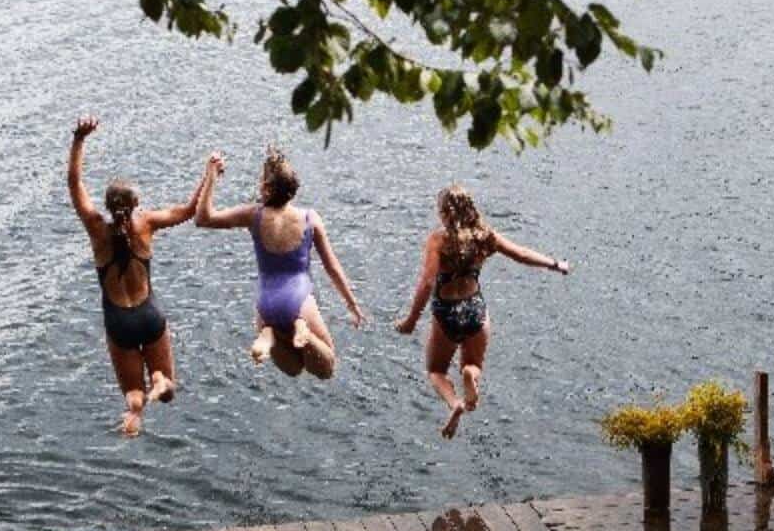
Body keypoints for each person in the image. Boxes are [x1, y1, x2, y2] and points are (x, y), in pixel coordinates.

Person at [394, 184, 570, 438]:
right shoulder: (485, 237)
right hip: (475, 308)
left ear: (444, 213)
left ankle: (454, 403)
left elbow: (427, 282)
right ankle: (470, 375)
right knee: (473, 363)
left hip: (446, 312)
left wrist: (411, 320)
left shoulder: (438, 240)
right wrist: (556, 264)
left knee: (436, 371)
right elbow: (521, 254)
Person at [68, 115, 202, 436]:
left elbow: (74, 183)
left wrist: (79, 139)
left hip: (119, 322)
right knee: (168, 389)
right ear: (136, 204)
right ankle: (158, 383)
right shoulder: (147, 224)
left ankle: (135, 409)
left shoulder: (96, 228)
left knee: (132, 393)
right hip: (149, 316)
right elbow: (189, 210)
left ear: (108, 207)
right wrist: (209, 175)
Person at [196, 146, 365, 379]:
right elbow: (332, 267)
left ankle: (269, 334)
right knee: (326, 368)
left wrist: (211, 176)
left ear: (266, 187)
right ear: (292, 190)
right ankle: (300, 328)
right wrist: (352, 304)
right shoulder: (309, 218)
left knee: (293, 369)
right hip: (300, 299)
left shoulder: (253, 215)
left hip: (266, 304)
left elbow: (203, 218)